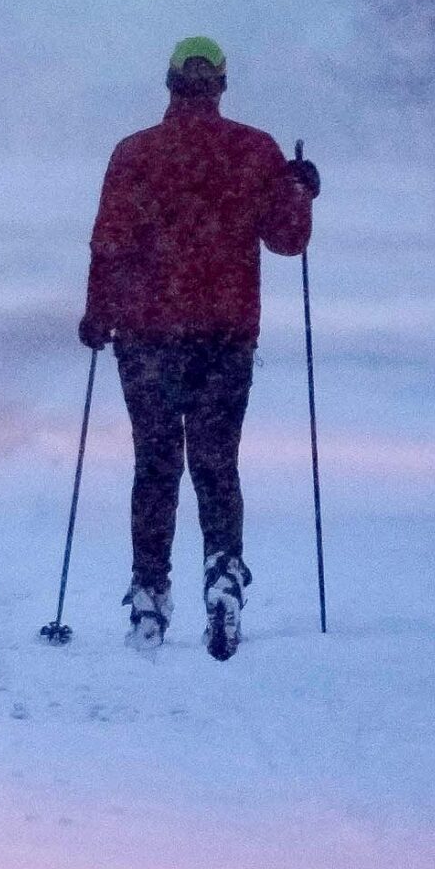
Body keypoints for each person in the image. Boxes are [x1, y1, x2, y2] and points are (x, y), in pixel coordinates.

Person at [80, 37, 319, 659]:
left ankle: (150, 595)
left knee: (155, 464)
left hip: (148, 335)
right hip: (225, 335)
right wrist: (298, 190)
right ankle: (222, 576)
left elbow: (109, 242)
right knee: (216, 461)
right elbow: (287, 242)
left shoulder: (135, 155)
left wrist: (97, 314)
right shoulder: (254, 152)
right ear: (221, 85)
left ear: (168, 84)